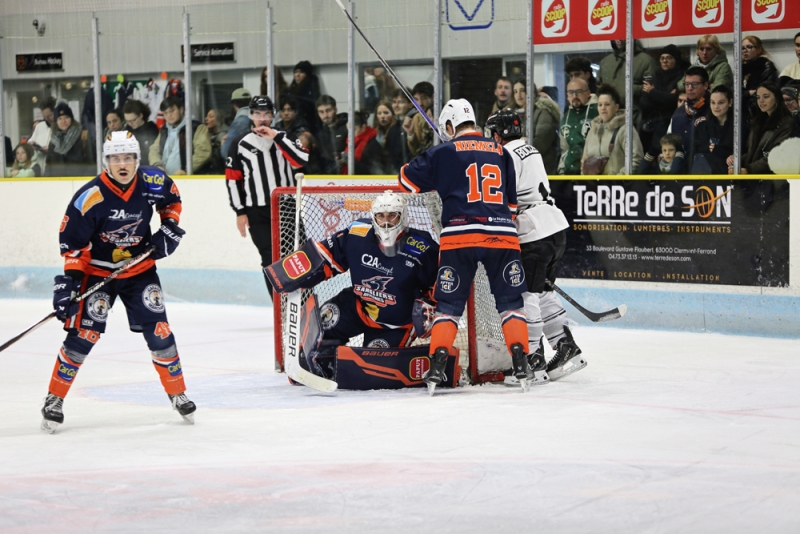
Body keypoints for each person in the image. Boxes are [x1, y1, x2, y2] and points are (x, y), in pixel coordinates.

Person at [40, 131, 195, 433]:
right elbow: (73, 246)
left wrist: (169, 226)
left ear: (137, 159)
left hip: (140, 271)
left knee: (160, 332)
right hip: (99, 273)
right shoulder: (90, 197)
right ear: (106, 161)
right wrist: (71, 283)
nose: (122, 164)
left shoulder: (153, 181)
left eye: (128, 158)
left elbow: (172, 200)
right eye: (115, 158)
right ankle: (53, 399)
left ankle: (178, 393)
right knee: (84, 336)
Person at [399, 99, 535, 393]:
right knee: (511, 304)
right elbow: (511, 205)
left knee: (448, 306)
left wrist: (437, 163)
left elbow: (405, 179)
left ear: (449, 126)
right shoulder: (501, 151)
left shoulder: (443, 151)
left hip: (459, 237)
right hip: (502, 235)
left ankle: (436, 368)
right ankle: (522, 363)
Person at [272, 192, 439, 379]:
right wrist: (294, 271)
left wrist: (431, 307)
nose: (386, 222)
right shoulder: (358, 233)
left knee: (374, 371)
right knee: (315, 330)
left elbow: (440, 286)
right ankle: (322, 363)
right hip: (358, 307)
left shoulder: (423, 248)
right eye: (381, 216)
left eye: (392, 216)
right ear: (373, 217)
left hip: (395, 325)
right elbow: (327, 254)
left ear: (403, 217)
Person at [484, 109, 584, 383]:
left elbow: (502, 196)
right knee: (542, 293)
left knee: (526, 295)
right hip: (554, 227)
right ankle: (566, 346)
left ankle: (532, 357)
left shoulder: (505, 155)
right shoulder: (531, 149)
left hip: (532, 231)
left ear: (496, 134)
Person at [225, 95, 309, 296]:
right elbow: (232, 180)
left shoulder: (286, 137)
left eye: (266, 114)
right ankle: (280, 310)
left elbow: (300, 161)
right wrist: (240, 212)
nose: (261, 118)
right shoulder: (239, 144)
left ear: (273, 116)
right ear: (250, 115)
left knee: (298, 257)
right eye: (257, 114)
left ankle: (304, 303)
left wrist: (276, 137)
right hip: (258, 212)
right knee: (270, 259)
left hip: (287, 207)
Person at [728, 82, 794, 175]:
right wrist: (737, 161)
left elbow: (778, 156)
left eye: (766, 96)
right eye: (758, 97)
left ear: (776, 98)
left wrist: (749, 170)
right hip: (756, 179)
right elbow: (752, 153)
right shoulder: (758, 122)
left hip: (773, 180)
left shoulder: (787, 123)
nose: (761, 101)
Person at [581, 85, 643, 175]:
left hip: (619, 187)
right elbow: (584, 161)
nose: (603, 108)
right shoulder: (592, 131)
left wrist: (616, 181)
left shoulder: (625, 130)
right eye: (600, 104)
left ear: (616, 107)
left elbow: (636, 160)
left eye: (607, 104)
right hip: (593, 187)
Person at [596, 40, 658, 127]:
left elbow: (652, 90)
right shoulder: (605, 62)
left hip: (635, 117)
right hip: (609, 118)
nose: (618, 40)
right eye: (615, 36)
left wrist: (630, 89)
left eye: (622, 36)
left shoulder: (645, 61)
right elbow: (599, 88)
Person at [640, 44, 688, 152]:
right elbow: (644, 102)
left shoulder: (680, 78)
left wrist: (653, 92)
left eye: (669, 58)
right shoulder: (655, 77)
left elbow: (674, 101)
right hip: (650, 126)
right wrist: (664, 95)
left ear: (676, 60)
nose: (665, 61)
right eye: (662, 58)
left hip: (668, 124)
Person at [149, 96, 212, 175]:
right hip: (166, 179)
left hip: (189, 179)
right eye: (165, 113)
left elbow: (203, 152)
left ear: (181, 110)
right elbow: (154, 149)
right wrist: (157, 165)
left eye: (172, 111)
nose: (169, 115)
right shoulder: (164, 130)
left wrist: (186, 170)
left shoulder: (196, 127)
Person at [665, 66, 711, 172]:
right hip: (681, 175)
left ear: (705, 85)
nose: (690, 88)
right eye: (687, 84)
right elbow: (669, 143)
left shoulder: (715, 110)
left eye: (695, 84)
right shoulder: (678, 113)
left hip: (707, 176)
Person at [558, 78, 598, 175]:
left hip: (592, 174)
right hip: (569, 173)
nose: (574, 96)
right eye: (571, 92)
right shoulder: (566, 116)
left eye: (578, 92)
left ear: (588, 93)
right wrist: (561, 169)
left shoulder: (599, 110)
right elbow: (565, 148)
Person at [693, 85, 735, 175]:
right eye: (713, 102)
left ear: (730, 102)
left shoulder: (738, 127)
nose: (716, 106)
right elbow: (695, 151)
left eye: (721, 102)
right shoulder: (702, 126)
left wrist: (718, 150)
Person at [526, 81, 561, 174]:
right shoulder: (526, 113)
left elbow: (541, 141)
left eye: (545, 98)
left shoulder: (545, 112)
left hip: (543, 168)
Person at [742, 35, 778, 124]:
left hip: (759, 113)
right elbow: (733, 92)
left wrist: (744, 94)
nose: (745, 50)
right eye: (742, 48)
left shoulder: (767, 67)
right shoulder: (740, 69)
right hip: (742, 111)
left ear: (759, 50)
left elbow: (765, 93)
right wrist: (747, 93)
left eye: (749, 47)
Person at [46, 103, 89, 177]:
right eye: (59, 118)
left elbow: (90, 162)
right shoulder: (53, 140)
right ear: (56, 122)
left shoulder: (83, 136)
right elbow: (48, 166)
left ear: (71, 119)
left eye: (66, 117)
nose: (63, 121)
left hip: (78, 181)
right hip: (57, 182)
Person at [342, 110, 387, 175]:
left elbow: (374, 171)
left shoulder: (372, 145)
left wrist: (351, 162)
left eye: (354, 130)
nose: (350, 134)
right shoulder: (352, 143)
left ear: (363, 127)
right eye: (348, 130)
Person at [314, 95, 348, 174]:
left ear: (335, 109)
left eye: (328, 110)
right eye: (321, 112)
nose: (325, 115)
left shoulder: (348, 126)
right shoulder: (321, 135)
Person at [123, 99, 159, 167]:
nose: (130, 124)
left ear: (141, 115)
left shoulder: (152, 130)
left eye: (133, 120)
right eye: (127, 121)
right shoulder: (126, 131)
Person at [404, 82, 435, 158]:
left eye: (424, 98)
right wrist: (411, 134)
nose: (420, 103)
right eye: (416, 99)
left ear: (433, 97)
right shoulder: (416, 118)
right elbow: (416, 151)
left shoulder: (443, 113)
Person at [289, 60, 321, 133]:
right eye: (296, 72)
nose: (298, 75)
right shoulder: (291, 90)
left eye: (301, 72)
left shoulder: (311, 91)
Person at [373, 100, 405, 173]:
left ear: (393, 114)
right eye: (379, 113)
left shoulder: (397, 130)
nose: (382, 116)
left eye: (386, 113)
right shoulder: (377, 133)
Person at [221, 88, 253, 159]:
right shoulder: (258, 118)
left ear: (234, 104)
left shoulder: (239, 122)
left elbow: (226, 152)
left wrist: (223, 144)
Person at [28, 97, 57, 171]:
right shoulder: (39, 126)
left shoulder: (63, 127)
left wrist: (50, 151)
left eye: (49, 116)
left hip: (56, 169)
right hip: (40, 168)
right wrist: (31, 144)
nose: (47, 119)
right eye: (44, 117)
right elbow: (30, 142)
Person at [203, 108, 228, 174]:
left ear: (219, 119)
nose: (206, 119)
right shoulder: (208, 135)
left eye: (211, 116)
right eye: (207, 116)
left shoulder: (223, 135)